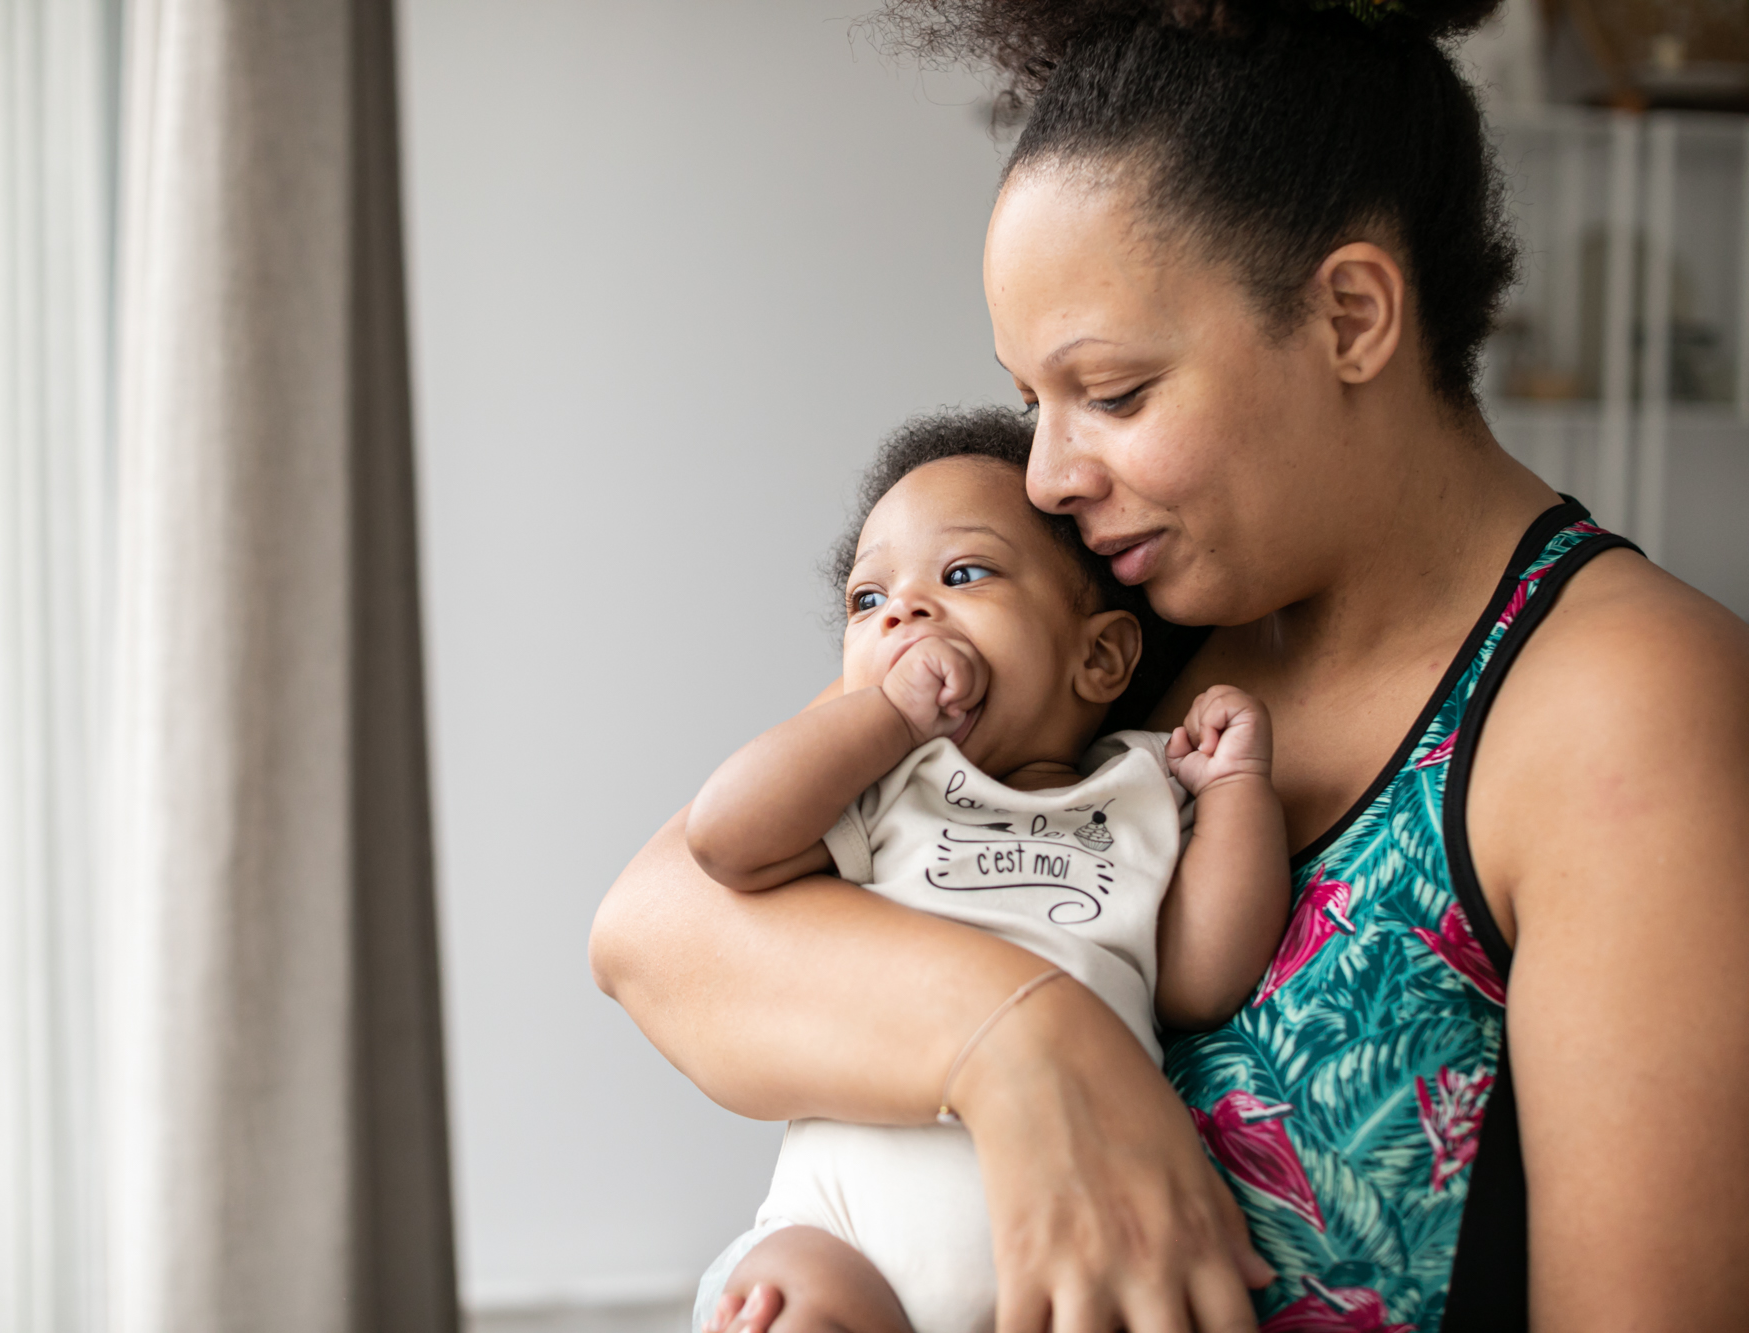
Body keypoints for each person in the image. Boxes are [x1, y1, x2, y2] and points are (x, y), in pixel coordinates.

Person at [589, 0, 1749, 1327]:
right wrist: (1025, 1041)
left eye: (1114, 395)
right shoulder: (1110, 603)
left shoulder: (1623, 698)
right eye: (1031, 401)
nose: (1046, 477)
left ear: (1351, 315)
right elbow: (652, 926)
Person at [683, 411, 1291, 1333]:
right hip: (842, 1237)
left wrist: (1239, 788)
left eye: (962, 574)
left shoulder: (1142, 785)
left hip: (1072, 1248)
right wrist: (886, 718)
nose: (903, 612)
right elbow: (725, 838)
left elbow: (1204, 975)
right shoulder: (880, 785)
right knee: (789, 1300)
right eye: (866, 600)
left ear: (1100, 656)